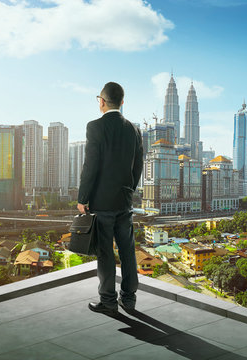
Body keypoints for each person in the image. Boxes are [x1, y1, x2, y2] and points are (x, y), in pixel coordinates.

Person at [77, 82, 143, 315]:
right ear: (122, 102)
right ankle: (130, 299)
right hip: (124, 202)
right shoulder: (134, 130)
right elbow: (138, 167)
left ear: (102, 102)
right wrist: (129, 190)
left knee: (105, 253)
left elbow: (90, 165)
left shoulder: (94, 127)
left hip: (101, 203)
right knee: (127, 250)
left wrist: (82, 198)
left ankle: (108, 301)